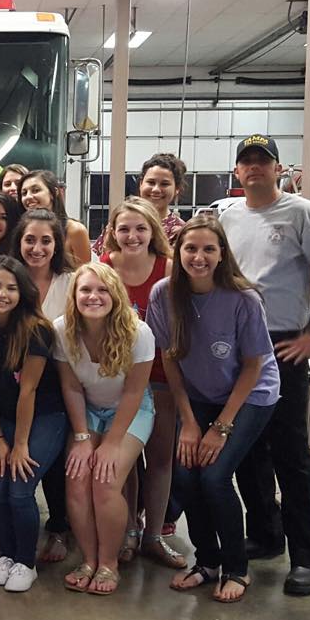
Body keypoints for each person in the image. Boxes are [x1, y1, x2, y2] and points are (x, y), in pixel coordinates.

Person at [220, 133, 310, 596]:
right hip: (236, 345)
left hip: (281, 344)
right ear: (237, 171)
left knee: (290, 456)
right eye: (247, 161)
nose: (254, 167)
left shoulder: (303, 213)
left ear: (277, 168)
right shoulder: (226, 214)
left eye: (263, 160)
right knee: (245, 452)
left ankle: (306, 557)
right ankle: (265, 534)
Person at [147, 216, 280, 603]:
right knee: (186, 476)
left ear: (222, 254)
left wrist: (220, 427)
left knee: (215, 477)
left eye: (208, 249)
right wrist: (188, 422)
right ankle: (206, 563)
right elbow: (170, 358)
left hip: (250, 395)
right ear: (178, 252)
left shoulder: (243, 298)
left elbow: (254, 366)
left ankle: (237, 568)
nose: (198, 257)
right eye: (190, 248)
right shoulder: (164, 294)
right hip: (199, 396)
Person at [0, 256, 69, 592]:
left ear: (23, 293)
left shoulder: (36, 329)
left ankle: (27, 562)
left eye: (11, 288)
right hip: (6, 419)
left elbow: (28, 391)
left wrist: (21, 445)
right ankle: (8, 555)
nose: (2, 294)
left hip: (45, 416)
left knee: (19, 486)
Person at [56, 263, 155, 595]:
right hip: (88, 412)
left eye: (102, 290)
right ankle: (88, 559)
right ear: (74, 296)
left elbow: (134, 391)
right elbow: (70, 387)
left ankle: (109, 563)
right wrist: (83, 438)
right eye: (85, 290)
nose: (93, 296)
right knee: (76, 479)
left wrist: (112, 444)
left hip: (131, 410)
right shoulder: (62, 329)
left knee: (105, 480)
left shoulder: (138, 332)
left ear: (116, 295)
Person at [98, 197, 182, 568]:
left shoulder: (169, 269)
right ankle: (129, 530)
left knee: (161, 457)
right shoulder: (104, 268)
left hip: (163, 376)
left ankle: (154, 536)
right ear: (112, 233)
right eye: (124, 228)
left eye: (140, 228)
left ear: (154, 232)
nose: (132, 236)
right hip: (122, 378)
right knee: (126, 459)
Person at [11, 208, 74, 563]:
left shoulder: (71, 281)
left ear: (57, 244)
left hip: (63, 383)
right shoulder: (8, 278)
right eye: (29, 239)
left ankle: (60, 527)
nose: (37, 248)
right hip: (18, 385)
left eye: (45, 240)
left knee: (58, 461)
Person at [91, 153, 188, 256]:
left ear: (177, 189)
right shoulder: (120, 221)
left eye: (164, 184)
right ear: (141, 184)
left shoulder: (180, 232)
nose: (156, 189)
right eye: (151, 182)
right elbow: (97, 259)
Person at [19, 170, 91, 266]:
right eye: (24, 193)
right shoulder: (21, 230)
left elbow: (84, 274)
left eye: (36, 190)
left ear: (54, 193)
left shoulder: (75, 230)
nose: (28, 197)